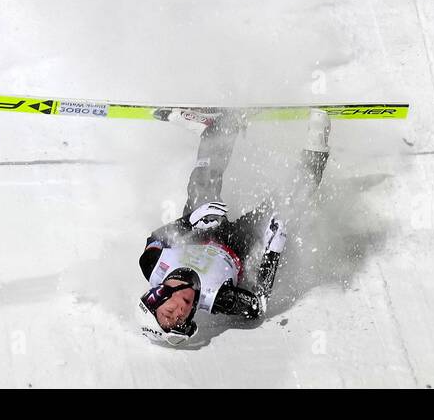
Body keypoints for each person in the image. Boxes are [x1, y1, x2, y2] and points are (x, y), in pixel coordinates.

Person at [136, 107, 331, 346]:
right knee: (289, 204)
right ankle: (316, 148)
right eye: (181, 321)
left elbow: (157, 238)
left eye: (169, 313)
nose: (181, 313)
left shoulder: (152, 265)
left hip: (202, 231)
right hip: (239, 245)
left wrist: (191, 220)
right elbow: (257, 305)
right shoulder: (217, 298)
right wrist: (273, 251)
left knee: (201, 186)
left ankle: (216, 131)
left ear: (155, 298)